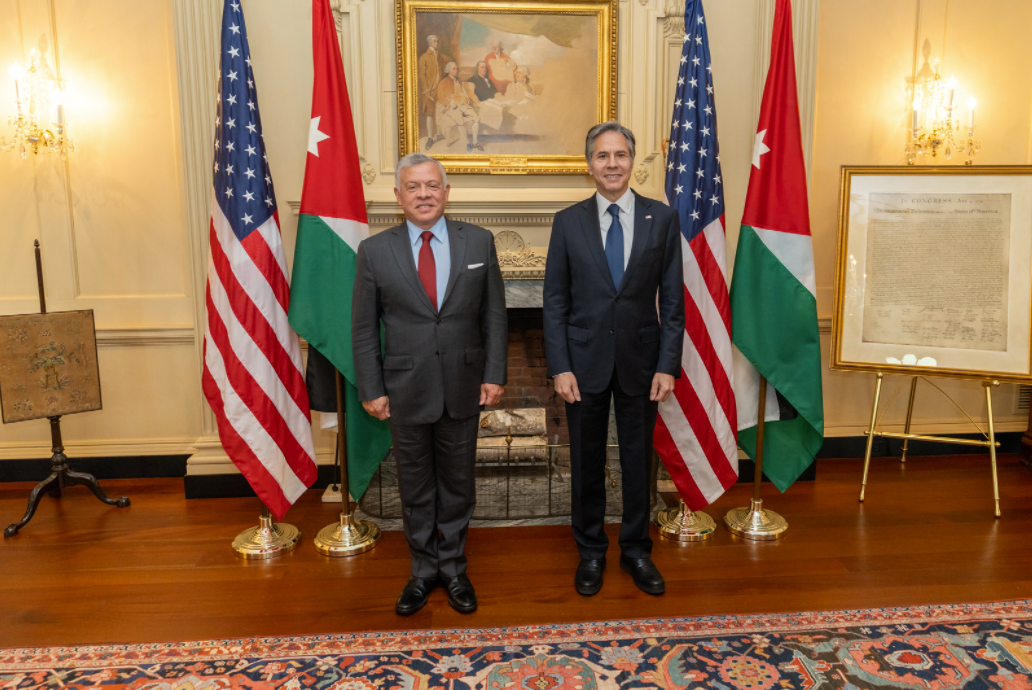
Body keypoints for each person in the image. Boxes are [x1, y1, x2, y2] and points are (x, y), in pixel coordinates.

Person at [352, 153, 507, 615]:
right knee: (416, 487)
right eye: (414, 187)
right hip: (404, 391)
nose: (424, 194)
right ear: (398, 196)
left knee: (458, 486)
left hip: (464, 385)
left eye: (432, 185)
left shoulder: (478, 242)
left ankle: (454, 569)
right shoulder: (375, 251)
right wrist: (371, 388)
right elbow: (363, 328)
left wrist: (494, 374)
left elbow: (494, 315)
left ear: (446, 191)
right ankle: (422, 571)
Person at [542, 121, 685, 597]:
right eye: (602, 156)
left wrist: (667, 364)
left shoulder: (661, 219)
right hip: (582, 367)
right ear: (589, 165)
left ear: (632, 161)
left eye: (620, 155)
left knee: (637, 463)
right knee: (585, 463)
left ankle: (636, 550)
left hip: (643, 365)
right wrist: (560, 365)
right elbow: (555, 302)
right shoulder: (567, 222)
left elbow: (673, 302)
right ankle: (590, 552)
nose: (612, 164)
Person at [435, 62, 483, 152]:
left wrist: (477, 102)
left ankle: (475, 143)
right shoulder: (443, 83)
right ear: (448, 71)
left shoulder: (460, 80)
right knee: (460, 122)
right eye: (454, 69)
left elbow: (469, 92)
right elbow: (440, 98)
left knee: (476, 119)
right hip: (452, 106)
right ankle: (466, 143)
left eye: (457, 69)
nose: (456, 70)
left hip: (463, 105)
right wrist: (450, 103)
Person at [418, 35, 444, 149]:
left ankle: (439, 134)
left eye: (437, 41)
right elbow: (422, 76)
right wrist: (426, 90)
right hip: (429, 90)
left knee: (439, 111)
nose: (437, 43)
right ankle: (430, 138)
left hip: (439, 89)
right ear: (429, 43)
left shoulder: (439, 56)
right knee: (430, 113)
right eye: (434, 41)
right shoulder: (424, 57)